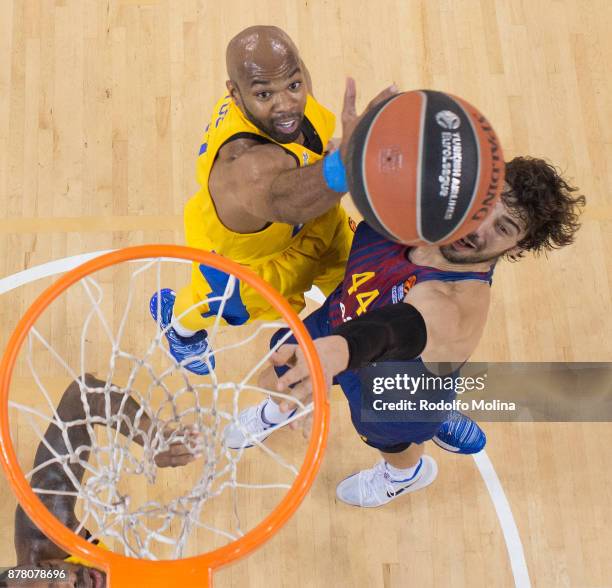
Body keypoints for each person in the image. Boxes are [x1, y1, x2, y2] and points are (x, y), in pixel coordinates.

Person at [224, 156, 586, 508]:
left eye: (503, 228)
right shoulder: (415, 206)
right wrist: (349, 155)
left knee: (393, 444)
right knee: (277, 376)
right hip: (340, 318)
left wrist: (340, 349)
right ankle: (281, 409)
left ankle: (405, 476)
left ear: (517, 246)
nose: (478, 229)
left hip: (397, 388)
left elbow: (393, 331)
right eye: (485, 203)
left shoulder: (456, 303)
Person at [149, 25, 396, 375]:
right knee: (211, 305)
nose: (286, 105)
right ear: (234, 94)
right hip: (256, 262)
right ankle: (178, 330)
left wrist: (346, 147)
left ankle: (405, 393)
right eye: (265, 95)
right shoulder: (245, 168)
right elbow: (289, 201)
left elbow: (310, 154)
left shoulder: (284, 85)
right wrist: (349, 163)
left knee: (372, 290)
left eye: (293, 86)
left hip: (319, 225)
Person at [0, 375, 200, 588]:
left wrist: (147, 432)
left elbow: (81, 395)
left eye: (52, 570)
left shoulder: (44, 537)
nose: (71, 578)